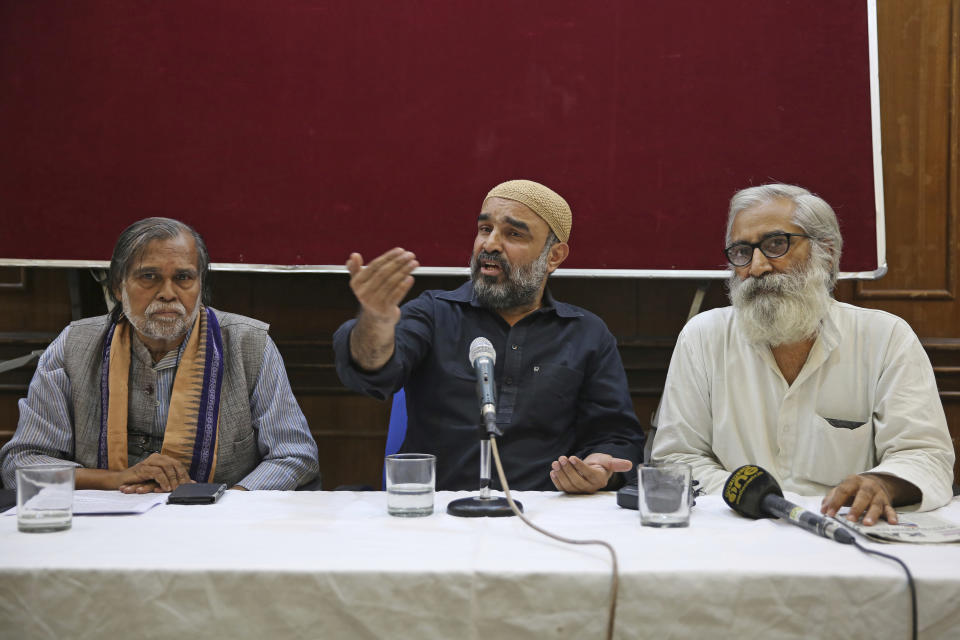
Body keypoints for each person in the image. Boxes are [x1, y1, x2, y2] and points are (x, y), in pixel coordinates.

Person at [651, 184, 954, 524]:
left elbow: (925, 455)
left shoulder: (885, 338)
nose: (758, 266)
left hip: (846, 527)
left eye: (776, 244)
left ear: (825, 253)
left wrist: (882, 483)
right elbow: (677, 457)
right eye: (741, 251)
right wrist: (763, 501)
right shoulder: (703, 337)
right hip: (735, 529)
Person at [334, 179, 644, 493]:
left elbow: (617, 437)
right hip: (435, 515)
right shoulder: (433, 313)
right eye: (485, 229)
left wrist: (600, 467)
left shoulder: (586, 334)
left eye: (513, 234)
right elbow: (371, 373)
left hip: (540, 517)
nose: (490, 244)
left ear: (554, 256)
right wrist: (374, 321)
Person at [1, 218, 319, 492]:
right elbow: (21, 464)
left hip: (217, 530)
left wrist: (229, 502)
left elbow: (294, 454)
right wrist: (115, 480)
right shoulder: (74, 347)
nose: (168, 293)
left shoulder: (248, 344)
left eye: (183, 278)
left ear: (200, 285)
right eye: (149, 277)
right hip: (102, 529)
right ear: (117, 286)